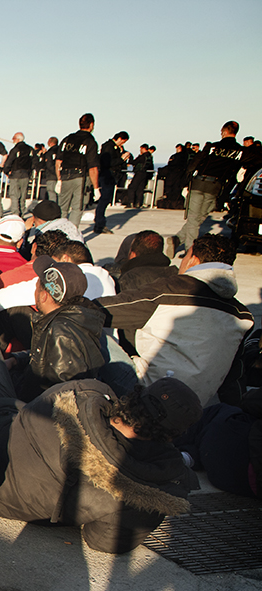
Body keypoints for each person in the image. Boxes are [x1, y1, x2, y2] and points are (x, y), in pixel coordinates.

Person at [0, 324, 200, 554]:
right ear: (172, 435)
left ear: (137, 396)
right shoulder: (153, 490)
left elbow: (27, 414)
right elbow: (103, 541)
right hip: (10, 504)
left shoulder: (82, 395)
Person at [97, 234, 254, 403]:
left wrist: (74, 306)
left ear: (193, 260)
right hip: (192, 407)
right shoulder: (242, 315)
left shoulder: (172, 289)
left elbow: (108, 310)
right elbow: (234, 377)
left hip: (147, 393)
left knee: (87, 324)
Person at [6, 261, 107, 401]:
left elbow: (61, 394)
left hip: (34, 408)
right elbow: (45, 357)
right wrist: (17, 360)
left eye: (37, 287)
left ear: (43, 296)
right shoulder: (77, 318)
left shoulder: (60, 332)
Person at [172, 122, 245, 256]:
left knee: (194, 219)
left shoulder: (211, 147)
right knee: (200, 218)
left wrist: (185, 183)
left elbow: (194, 164)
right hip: (215, 187)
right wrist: (225, 195)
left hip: (199, 183)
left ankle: (189, 251)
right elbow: (234, 176)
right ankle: (177, 240)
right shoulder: (240, 151)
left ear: (223, 131)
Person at [55, 113, 100, 228]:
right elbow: (93, 167)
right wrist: (96, 187)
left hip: (65, 175)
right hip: (80, 177)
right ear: (91, 125)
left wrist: (59, 179)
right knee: (77, 208)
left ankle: (59, 232)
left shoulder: (67, 139)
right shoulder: (90, 141)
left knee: (62, 208)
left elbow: (58, 162)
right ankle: (71, 235)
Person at [93, 131, 131, 234]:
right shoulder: (109, 147)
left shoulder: (114, 147)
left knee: (105, 200)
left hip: (111, 176)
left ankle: (99, 223)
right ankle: (99, 224)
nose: (122, 144)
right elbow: (107, 162)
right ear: (119, 138)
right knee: (104, 200)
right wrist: (121, 159)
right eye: (122, 142)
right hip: (107, 176)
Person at [4, 132, 34, 217]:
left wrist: (6, 171)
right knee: (23, 195)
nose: (12, 140)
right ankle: (22, 213)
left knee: (14, 195)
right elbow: (35, 162)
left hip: (15, 175)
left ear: (17, 139)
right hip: (25, 175)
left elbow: (9, 162)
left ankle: (15, 213)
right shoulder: (30, 149)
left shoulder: (15, 150)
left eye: (13, 138)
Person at [124, 144, 155, 209]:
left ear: (143, 148)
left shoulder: (142, 156)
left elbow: (134, 162)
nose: (140, 150)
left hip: (139, 173)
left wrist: (130, 157)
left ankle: (131, 203)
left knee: (132, 187)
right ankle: (138, 203)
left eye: (141, 149)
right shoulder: (149, 156)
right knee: (140, 189)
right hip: (145, 174)